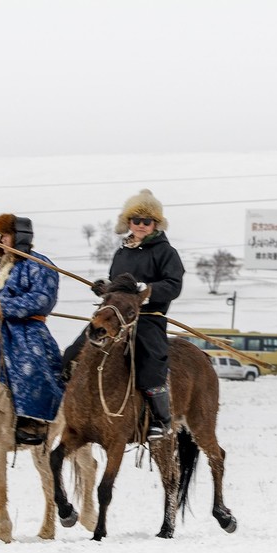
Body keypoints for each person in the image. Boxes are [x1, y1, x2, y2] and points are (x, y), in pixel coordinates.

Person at [89, 189, 184, 441]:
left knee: (151, 363)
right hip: (116, 318)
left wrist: (148, 290)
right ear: (128, 222)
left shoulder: (166, 253)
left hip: (148, 317)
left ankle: (160, 419)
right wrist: (105, 289)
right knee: (80, 348)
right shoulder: (122, 252)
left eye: (147, 221)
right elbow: (116, 285)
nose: (141, 225)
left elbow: (174, 285)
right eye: (136, 220)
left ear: (155, 224)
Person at [0, 213, 64, 446]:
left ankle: (32, 420)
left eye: (6, 235)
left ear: (20, 237)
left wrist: (5, 306)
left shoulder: (40, 264)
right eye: (0, 235)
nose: (1, 239)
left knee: (29, 365)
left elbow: (42, 299)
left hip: (27, 330)